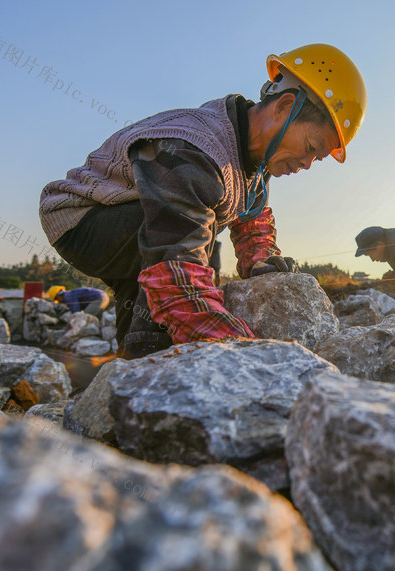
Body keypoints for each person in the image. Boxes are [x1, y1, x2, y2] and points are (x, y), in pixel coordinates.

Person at [38, 44, 366, 359]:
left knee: (146, 296)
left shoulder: (253, 162)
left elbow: (252, 213)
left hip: (132, 223)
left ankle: (133, 368)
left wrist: (261, 259)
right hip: (81, 219)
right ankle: (155, 359)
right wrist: (236, 351)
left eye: (317, 158)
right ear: (283, 107)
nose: (308, 163)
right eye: (311, 146)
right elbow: (177, 276)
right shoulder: (192, 150)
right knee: (192, 246)